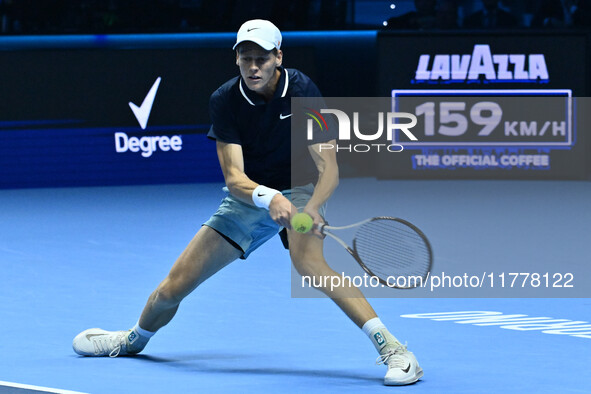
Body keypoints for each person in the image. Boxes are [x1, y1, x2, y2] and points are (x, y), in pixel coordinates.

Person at [72, 19, 423, 386]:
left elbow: (328, 166)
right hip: (251, 195)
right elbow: (235, 178)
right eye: (245, 58)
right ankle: (132, 340)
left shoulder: (303, 89)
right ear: (236, 59)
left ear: (278, 58)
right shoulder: (225, 100)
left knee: (311, 266)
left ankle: (397, 351)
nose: (253, 67)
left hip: (302, 188)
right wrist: (268, 197)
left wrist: (313, 207)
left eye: (262, 58)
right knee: (172, 287)